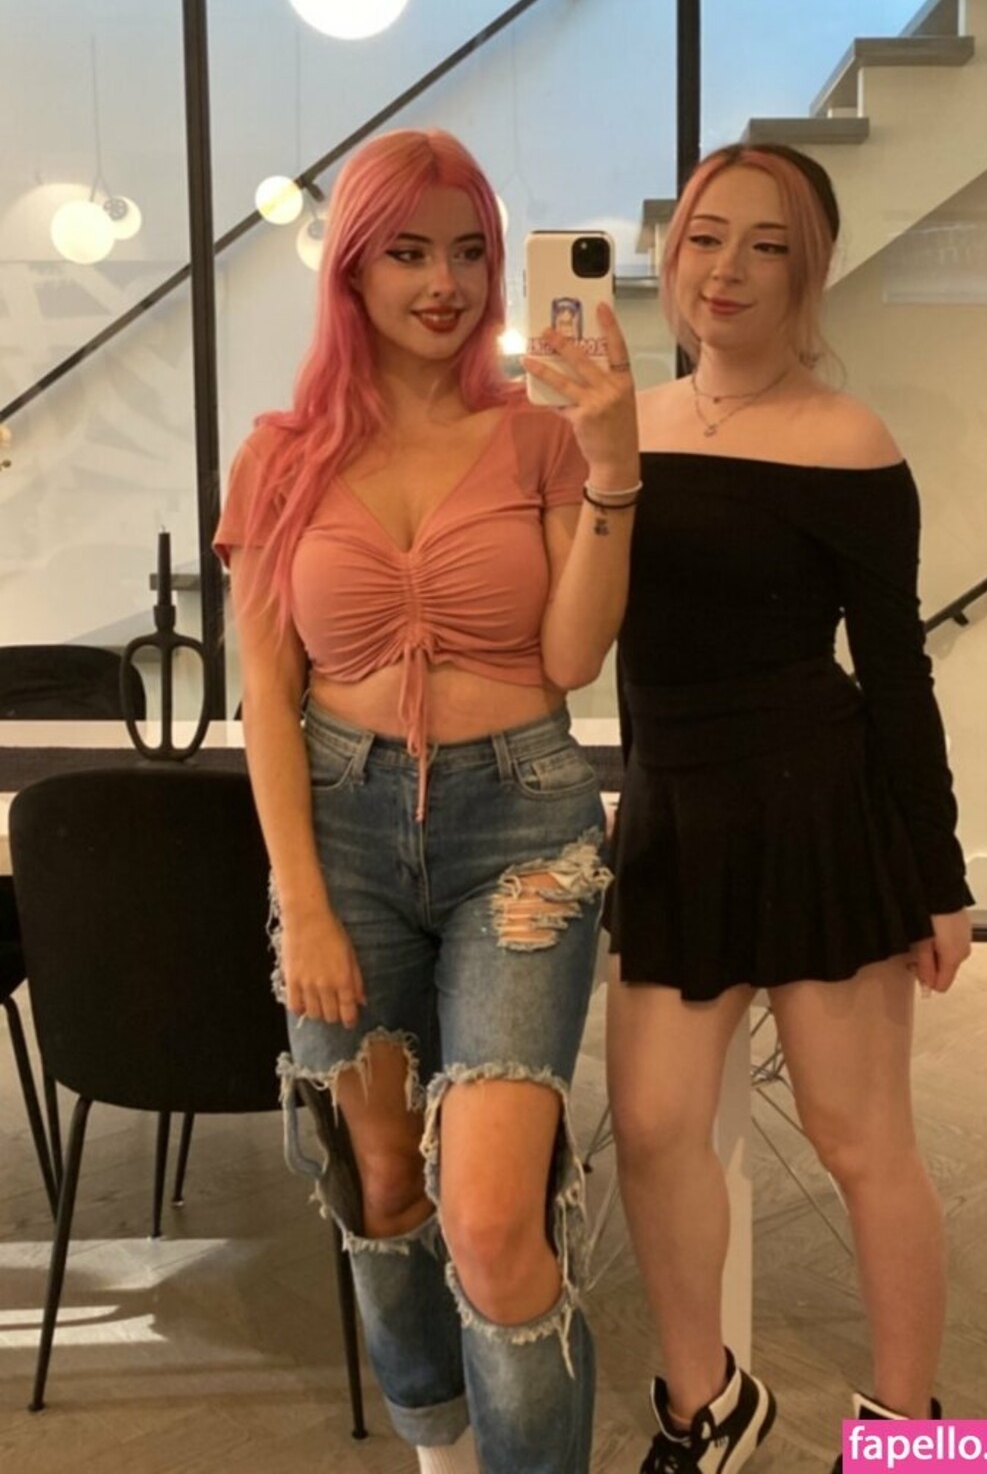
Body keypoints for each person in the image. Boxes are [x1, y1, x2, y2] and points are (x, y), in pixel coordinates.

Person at [213, 128, 639, 1474]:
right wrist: (302, 902)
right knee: (381, 1186)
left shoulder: (539, 439)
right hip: (340, 831)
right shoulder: (279, 458)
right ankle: (440, 1454)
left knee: (494, 1219)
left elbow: (572, 658)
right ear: (352, 268)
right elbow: (266, 698)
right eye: (407, 252)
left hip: (522, 830)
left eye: (468, 253)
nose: (444, 284)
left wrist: (614, 468)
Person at [604, 142, 973, 1474]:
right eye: (708, 236)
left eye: (769, 246)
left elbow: (898, 668)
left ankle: (908, 1431)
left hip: (822, 807)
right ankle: (706, 1406)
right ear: (672, 254)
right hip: (675, 813)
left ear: (809, 272)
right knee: (652, 1129)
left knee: (859, 1139)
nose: (730, 269)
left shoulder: (849, 439)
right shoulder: (622, 426)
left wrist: (938, 873)